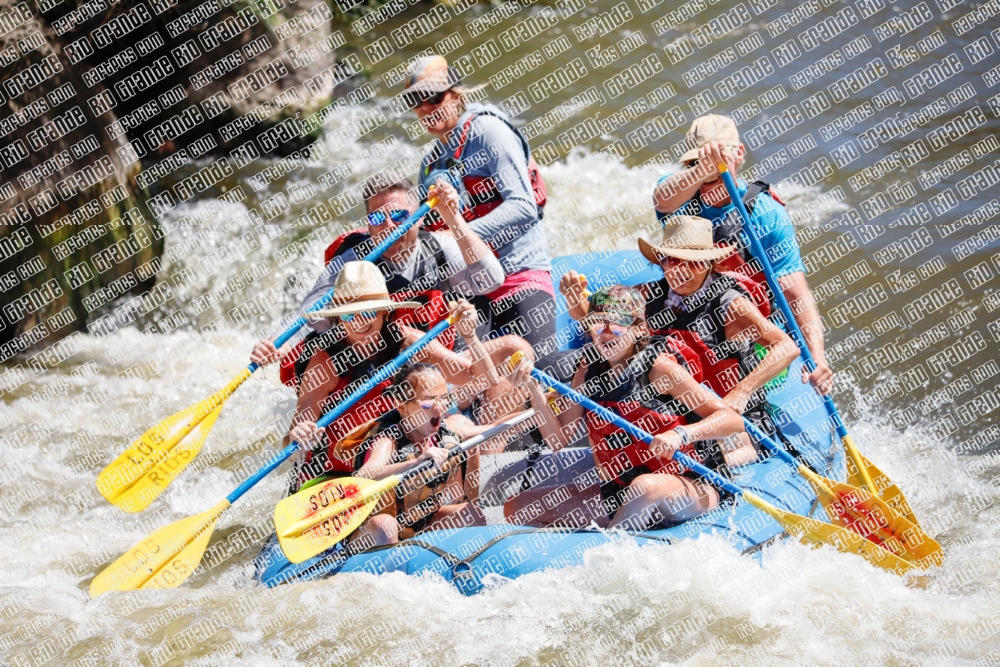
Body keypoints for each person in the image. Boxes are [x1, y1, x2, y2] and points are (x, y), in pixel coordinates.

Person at [251, 174, 533, 402]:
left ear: (419, 217)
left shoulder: (438, 246)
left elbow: (490, 279)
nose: (388, 226)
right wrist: (278, 346)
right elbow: (311, 316)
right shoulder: (351, 263)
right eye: (377, 218)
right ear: (368, 225)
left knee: (514, 349)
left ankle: (489, 452)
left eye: (399, 215)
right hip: (385, 372)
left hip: (436, 358)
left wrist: (452, 217)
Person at [510, 285, 750, 532]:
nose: (605, 334)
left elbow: (732, 420)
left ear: (638, 329)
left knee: (644, 487)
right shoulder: (588, 368)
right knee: (517, 507)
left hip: (691, 486)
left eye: (616, 326)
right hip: (621, 491)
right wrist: (533, 389)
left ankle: (611, 557)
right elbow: (558, 440)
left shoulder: (659, 369)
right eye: (596, 324)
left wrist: (681, 434)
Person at [289, 305, 524, 545]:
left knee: (460, 431)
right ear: (338, 318)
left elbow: (484, 381)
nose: (359, 321)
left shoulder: (406, 341)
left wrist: (469, 335)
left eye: (369, 312)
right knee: (385, 526)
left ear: (384, 313)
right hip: (344, 484)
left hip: (407, 484)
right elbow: (294, 447)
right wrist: (299, 436)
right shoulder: (326, 364)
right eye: (349, 314)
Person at [562, 217, 799, 434]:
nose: (681, 270)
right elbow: (598, 324)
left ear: (708, 263)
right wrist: (575, 300)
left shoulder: (731, 306)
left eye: (693, 263)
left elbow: (787, 347)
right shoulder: (647, 295)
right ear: (662, 262)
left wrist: (742, 392)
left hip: (721, 416)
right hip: (670, 408)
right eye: (672, 259)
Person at [651, 114, 833, 394]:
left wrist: (817, 358)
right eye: (695, 164)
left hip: (740, 324)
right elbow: (662, 200)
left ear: (739, 153)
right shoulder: (680, 191)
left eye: (716, 166)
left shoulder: (767, 215)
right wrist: (705, 168)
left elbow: (795, 294)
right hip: (683, 311)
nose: (708, 177)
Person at [402, 55, 557, 354]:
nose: (424, 108)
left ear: (456, 94)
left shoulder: (488, 131)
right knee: (470, 380)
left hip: (519, 273)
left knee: (540, 367)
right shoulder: (429, 165)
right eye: (415, 101)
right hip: (470, 288)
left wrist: (459, 234)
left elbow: (524, 207)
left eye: (433, 97)